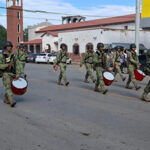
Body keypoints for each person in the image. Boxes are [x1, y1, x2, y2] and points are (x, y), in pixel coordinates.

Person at [0, 41, 19, 107]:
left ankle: (6, 99)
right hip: (6, 73)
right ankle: (11, 100)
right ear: (5, 47)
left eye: (11, 46)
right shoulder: (2, 56)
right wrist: (7, 65)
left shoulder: (13, 55)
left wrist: (17, 74)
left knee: (11, 87)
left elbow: (17, 65)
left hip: (12, 73)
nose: (10, 47)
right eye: (8, 46)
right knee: (8, 86)